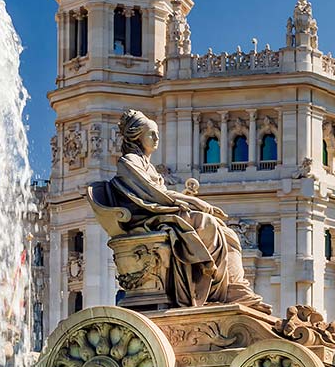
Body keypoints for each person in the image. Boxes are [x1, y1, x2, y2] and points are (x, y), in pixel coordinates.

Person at [109, 109, 270, 312]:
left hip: (161, 213)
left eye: (157, 134)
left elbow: (159, 194)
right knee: (207, 222)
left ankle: (233, 288)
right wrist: (194, 202)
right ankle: (211, 278)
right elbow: (153, 194)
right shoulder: (129, 162)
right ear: (137, 137)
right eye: (151, 134)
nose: (156, 139)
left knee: (228, 233)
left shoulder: (147, 165)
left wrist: (187, 201)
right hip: (147, 219)